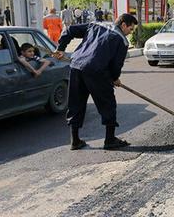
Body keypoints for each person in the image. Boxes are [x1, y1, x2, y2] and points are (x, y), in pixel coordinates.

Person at [54, 13, 139, 150]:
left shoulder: (95, 25)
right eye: (131, 29)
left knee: (76, 103)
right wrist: (114, 78)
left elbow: (69, 30)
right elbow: (116, 65)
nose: (130, 33)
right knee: (108, 104)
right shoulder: (121, 41)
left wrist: (60, 49)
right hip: (97, 72)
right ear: (123, 25)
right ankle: (110, 140)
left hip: (76, 66)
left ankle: (75, 141)